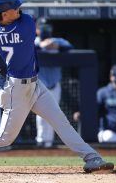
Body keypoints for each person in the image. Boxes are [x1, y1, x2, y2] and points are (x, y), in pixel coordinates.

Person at [0, 0, 114, 173]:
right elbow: (0, 19)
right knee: (4, 137)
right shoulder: (26, 25)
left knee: (61, 122)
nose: (18, 8)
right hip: (16, 90)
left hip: (35, 85)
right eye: (14, 7)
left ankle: (91, 158)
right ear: (4, 14)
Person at [35, 18, 74, 148]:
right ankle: (41, 141)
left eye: (47, 27)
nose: (45, 30)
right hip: (40, 83)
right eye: (42, 27)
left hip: (55, 83)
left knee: (53, 113)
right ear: (37, 29)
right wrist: (40, 46)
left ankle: (49, 143)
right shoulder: (33, 41)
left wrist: (56, 46)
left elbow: (70, 47)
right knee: (41, 114)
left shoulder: (58, 41)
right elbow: (27, 49)